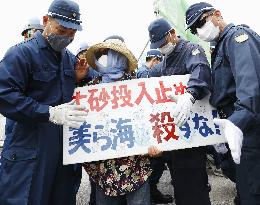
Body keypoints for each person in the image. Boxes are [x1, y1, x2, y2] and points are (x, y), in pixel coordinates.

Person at [0, 0, 89, 204]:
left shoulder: (69, 59)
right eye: (62, 29)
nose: (66, 36)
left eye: (72, 33)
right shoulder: (21, 53)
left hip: (63, 152)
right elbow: (4, 95)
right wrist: (48, 113)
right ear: (46, 20)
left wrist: (78, 78)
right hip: (30, 147)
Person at [185, 2, 260, 204]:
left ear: (217, 14)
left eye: (200, 23)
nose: (198, 31)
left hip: (248, 129)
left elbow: (250, 84)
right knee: (243, 186)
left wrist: (238, 120)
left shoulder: (237, 38)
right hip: (234, 128)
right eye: (193, 29)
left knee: (252, 191)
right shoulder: (218, 47)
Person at [83, 35, 157, 205]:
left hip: (136, 168)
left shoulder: (138, 85)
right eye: (108, 53)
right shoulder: (90, 89)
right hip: (104, 171)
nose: (111, 58)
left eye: (116, 54)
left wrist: (157, 144)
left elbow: (151, 117)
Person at [147, 18, 211, 205]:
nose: (161, 48)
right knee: (181, 186)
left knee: (194, 186)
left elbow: (201, 71)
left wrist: (190, 94)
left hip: (192, 134)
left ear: (173, 34)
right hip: (174, 134)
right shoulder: (166, 61)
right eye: (158, 46)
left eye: (163, 43)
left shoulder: (191, 50)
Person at [136, 49, 174, 204]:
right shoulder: (145, 74)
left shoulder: (142, 71)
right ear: (156, 60)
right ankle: (151, 195)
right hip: (150, 122)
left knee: (157, 162)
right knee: (155, 163)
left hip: (151, 121)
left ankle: (152, 193)